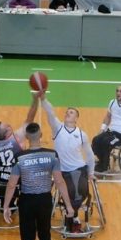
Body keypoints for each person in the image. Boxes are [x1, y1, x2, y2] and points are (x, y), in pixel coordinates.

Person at [2, 122, 77, 240]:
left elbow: (12, 184)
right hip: (44, 201)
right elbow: (59, 181)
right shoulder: (52, 155)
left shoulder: (20, 157)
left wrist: (6, 206)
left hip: (27, 202)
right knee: (45, 237)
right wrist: (69, 206)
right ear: (41, 135)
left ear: (27, 137)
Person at [39, 91, 95, 232]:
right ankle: (73, 218)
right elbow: (50, 113)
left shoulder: (82, 134)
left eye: (71, 112)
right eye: (66, 112)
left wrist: (91, 172)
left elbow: (89, 155)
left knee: (81, 191)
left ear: (76, 118)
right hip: (62, 170)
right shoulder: (58, 128)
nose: (67, 114)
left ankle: (72, 216)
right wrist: (43, 99)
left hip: (79, 168)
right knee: (70, 191)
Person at [0, 93, 41, 188]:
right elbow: (30, 118)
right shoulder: (17, 138)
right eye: (8, 126)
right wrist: (35, 100)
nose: (9, 125)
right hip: (16, 178)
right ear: (6, 133)